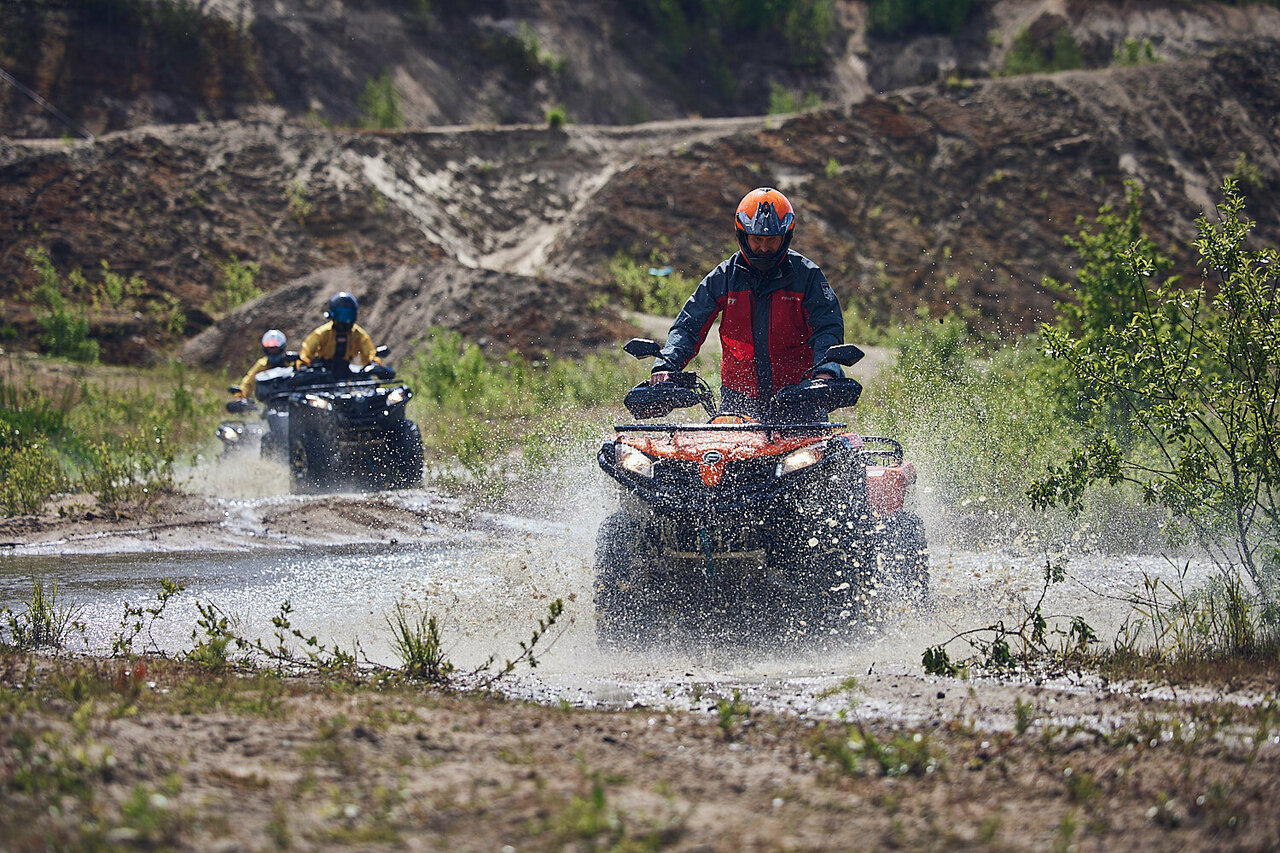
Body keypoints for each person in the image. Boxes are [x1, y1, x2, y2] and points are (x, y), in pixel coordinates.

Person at [650, 187, 845, 419]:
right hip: (738, 399)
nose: (764, 247)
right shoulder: (723, 277)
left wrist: (826, 372)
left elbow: (827, 329)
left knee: (819, 443)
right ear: (743, 236)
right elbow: (688, 326)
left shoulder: (808, 276)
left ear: (785, 237)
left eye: (772, 240)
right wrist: (666, 364)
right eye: (757, 239)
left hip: (799, 397)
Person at [298, 292, 382, 370]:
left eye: (349, 315)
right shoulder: (323, 333)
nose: (346, 321)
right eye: (342, 315)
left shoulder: (357, 334)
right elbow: (307, 350)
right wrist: (303, 363)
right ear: (333, 314)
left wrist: (374, 362)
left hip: (346, 371)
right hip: (323, 373)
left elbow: (368, 351)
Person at [235, 329, 292, 399]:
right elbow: (249, 382)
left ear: (281, 348)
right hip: (269, 401)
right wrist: (240, 396)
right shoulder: (262, 364)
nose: (273, 352)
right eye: (270, 349)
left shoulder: (291, 362)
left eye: (275, 349)